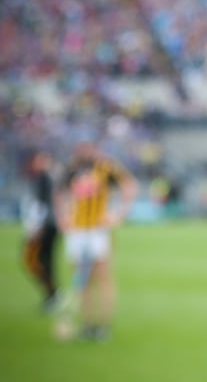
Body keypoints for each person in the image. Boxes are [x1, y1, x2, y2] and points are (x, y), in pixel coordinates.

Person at [53, 140, 137, 341]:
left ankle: (104, 325)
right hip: (76, 231)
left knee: (102, 277)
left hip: (98, 230)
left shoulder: (107, 166)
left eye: (88, 146)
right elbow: (59, 193)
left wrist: (119, 214)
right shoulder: (71, 168)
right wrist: (62, 217)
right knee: (81, 280)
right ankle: (88, 324)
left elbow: (129, 185)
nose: (84, 150)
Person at [22, 150, 61, 313]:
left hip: (45, 226)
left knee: (38, 260)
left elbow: (41, 205)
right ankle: (52, 294)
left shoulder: (45, 178)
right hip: (48, 225)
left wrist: (35, 226)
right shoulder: (44, 178)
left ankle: (53, 294)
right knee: (41, 260)